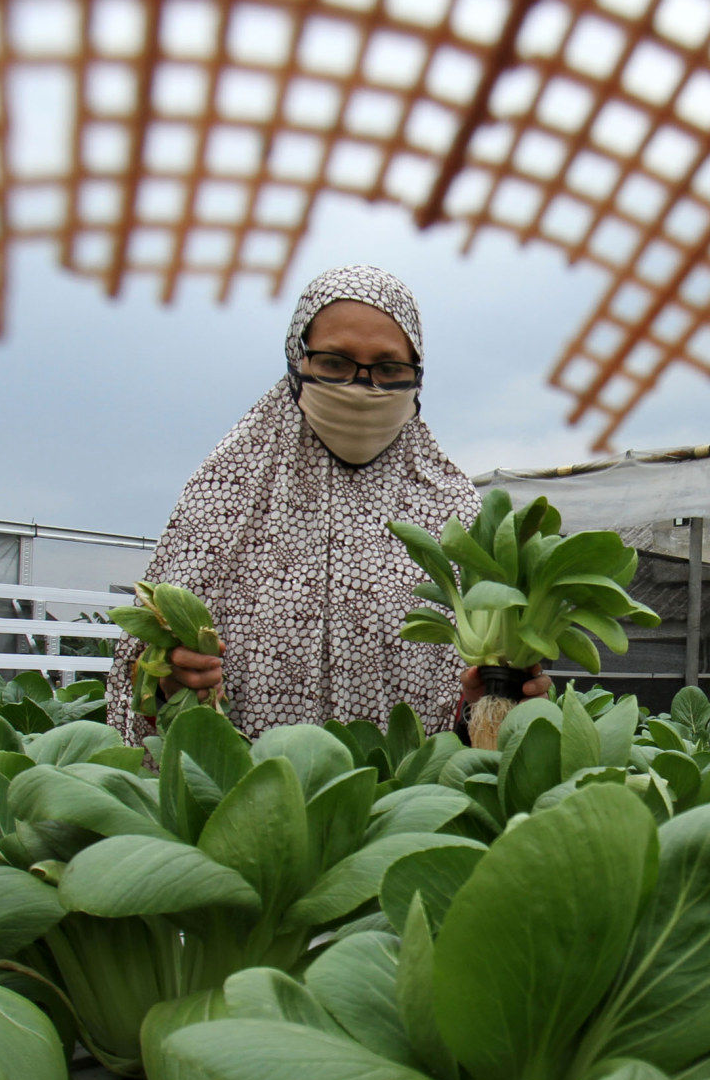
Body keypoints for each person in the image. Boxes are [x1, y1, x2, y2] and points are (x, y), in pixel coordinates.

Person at [107, 264, 550, 742]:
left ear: (416, 375)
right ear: (297, 361)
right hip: (245, 799)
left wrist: (498, 705)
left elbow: (468, 710)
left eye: (388, 369)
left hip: (407, 806)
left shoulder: (454, 515)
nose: (362, 387)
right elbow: (139, 673)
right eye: (335, 363)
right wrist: (168, 679)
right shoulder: (226, 492)